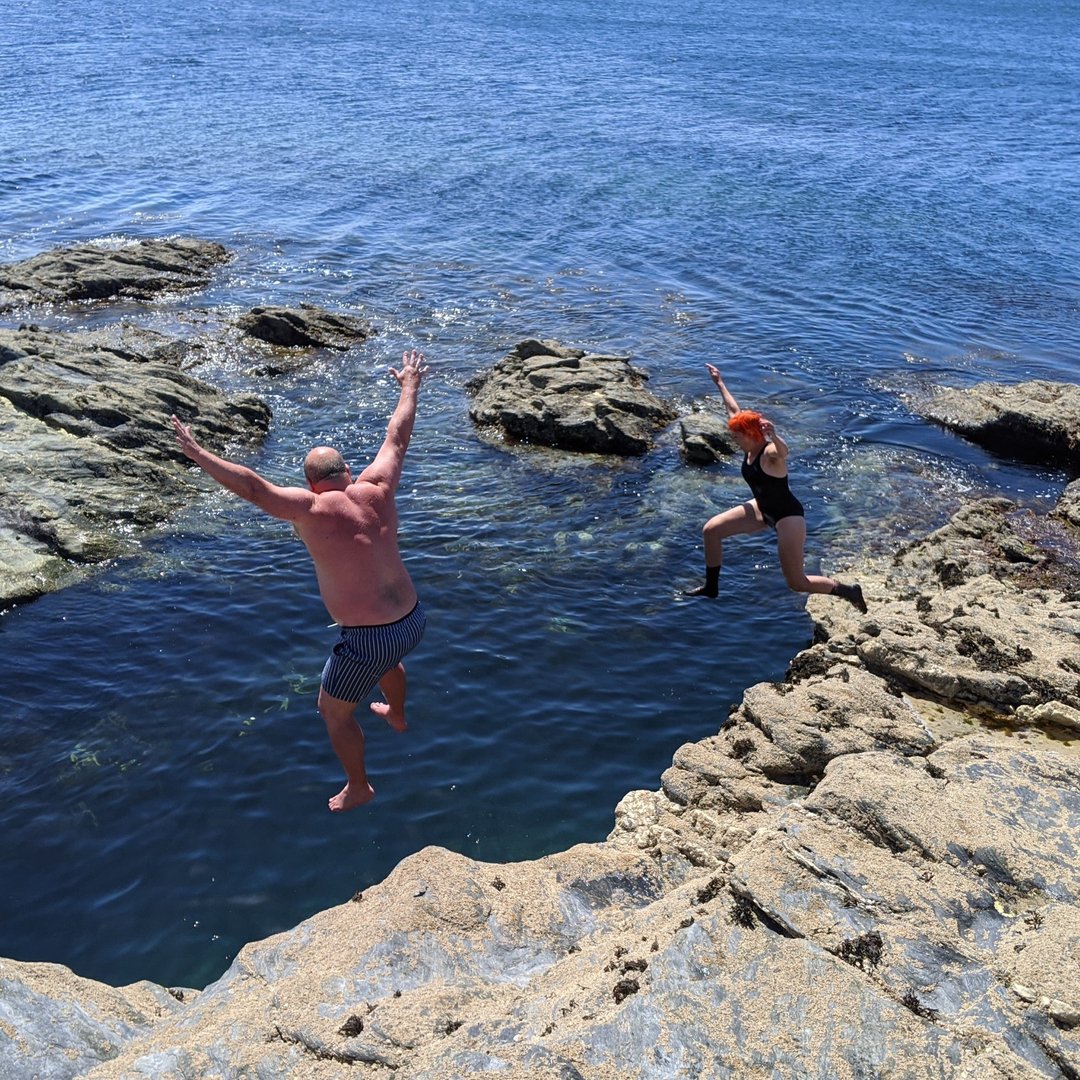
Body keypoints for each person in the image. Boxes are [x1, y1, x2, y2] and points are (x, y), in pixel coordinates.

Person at [171, 349, 430, 812]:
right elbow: (396, 438)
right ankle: (397, 713)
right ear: (348, 472)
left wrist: (198, 453)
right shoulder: (377, 488)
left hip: (369, 637)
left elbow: (252, 487)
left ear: (311, 484)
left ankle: (359, 786)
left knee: (332, 713)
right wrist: (409, 385)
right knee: (388, 658)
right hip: (412, 619)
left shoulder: (309, 510)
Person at [685, 363, 867, 612]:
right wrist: (719, 382)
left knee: (797, 582)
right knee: (711, 530)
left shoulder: (769, 453)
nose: (733, 441)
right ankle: (711, 587)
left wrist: (775, 436)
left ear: (751, 435)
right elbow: (733, 409)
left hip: (787, 517)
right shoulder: (748, 440)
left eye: (737, 437)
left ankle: (848, 591)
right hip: (761, 508)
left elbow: (784, 452)